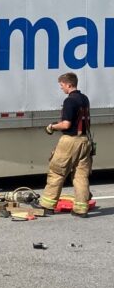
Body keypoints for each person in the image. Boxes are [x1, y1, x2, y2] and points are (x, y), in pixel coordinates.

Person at [36, 72, 93, 217]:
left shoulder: (70, 101)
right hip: (85, 141)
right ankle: (81, 209)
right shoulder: (84, 98)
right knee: (81, 176)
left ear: (68, 84)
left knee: (57, 172)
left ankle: (47, 205)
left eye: (62, 85)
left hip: (70, 141)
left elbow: (66, 124)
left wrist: (52, 126)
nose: (61, 88)